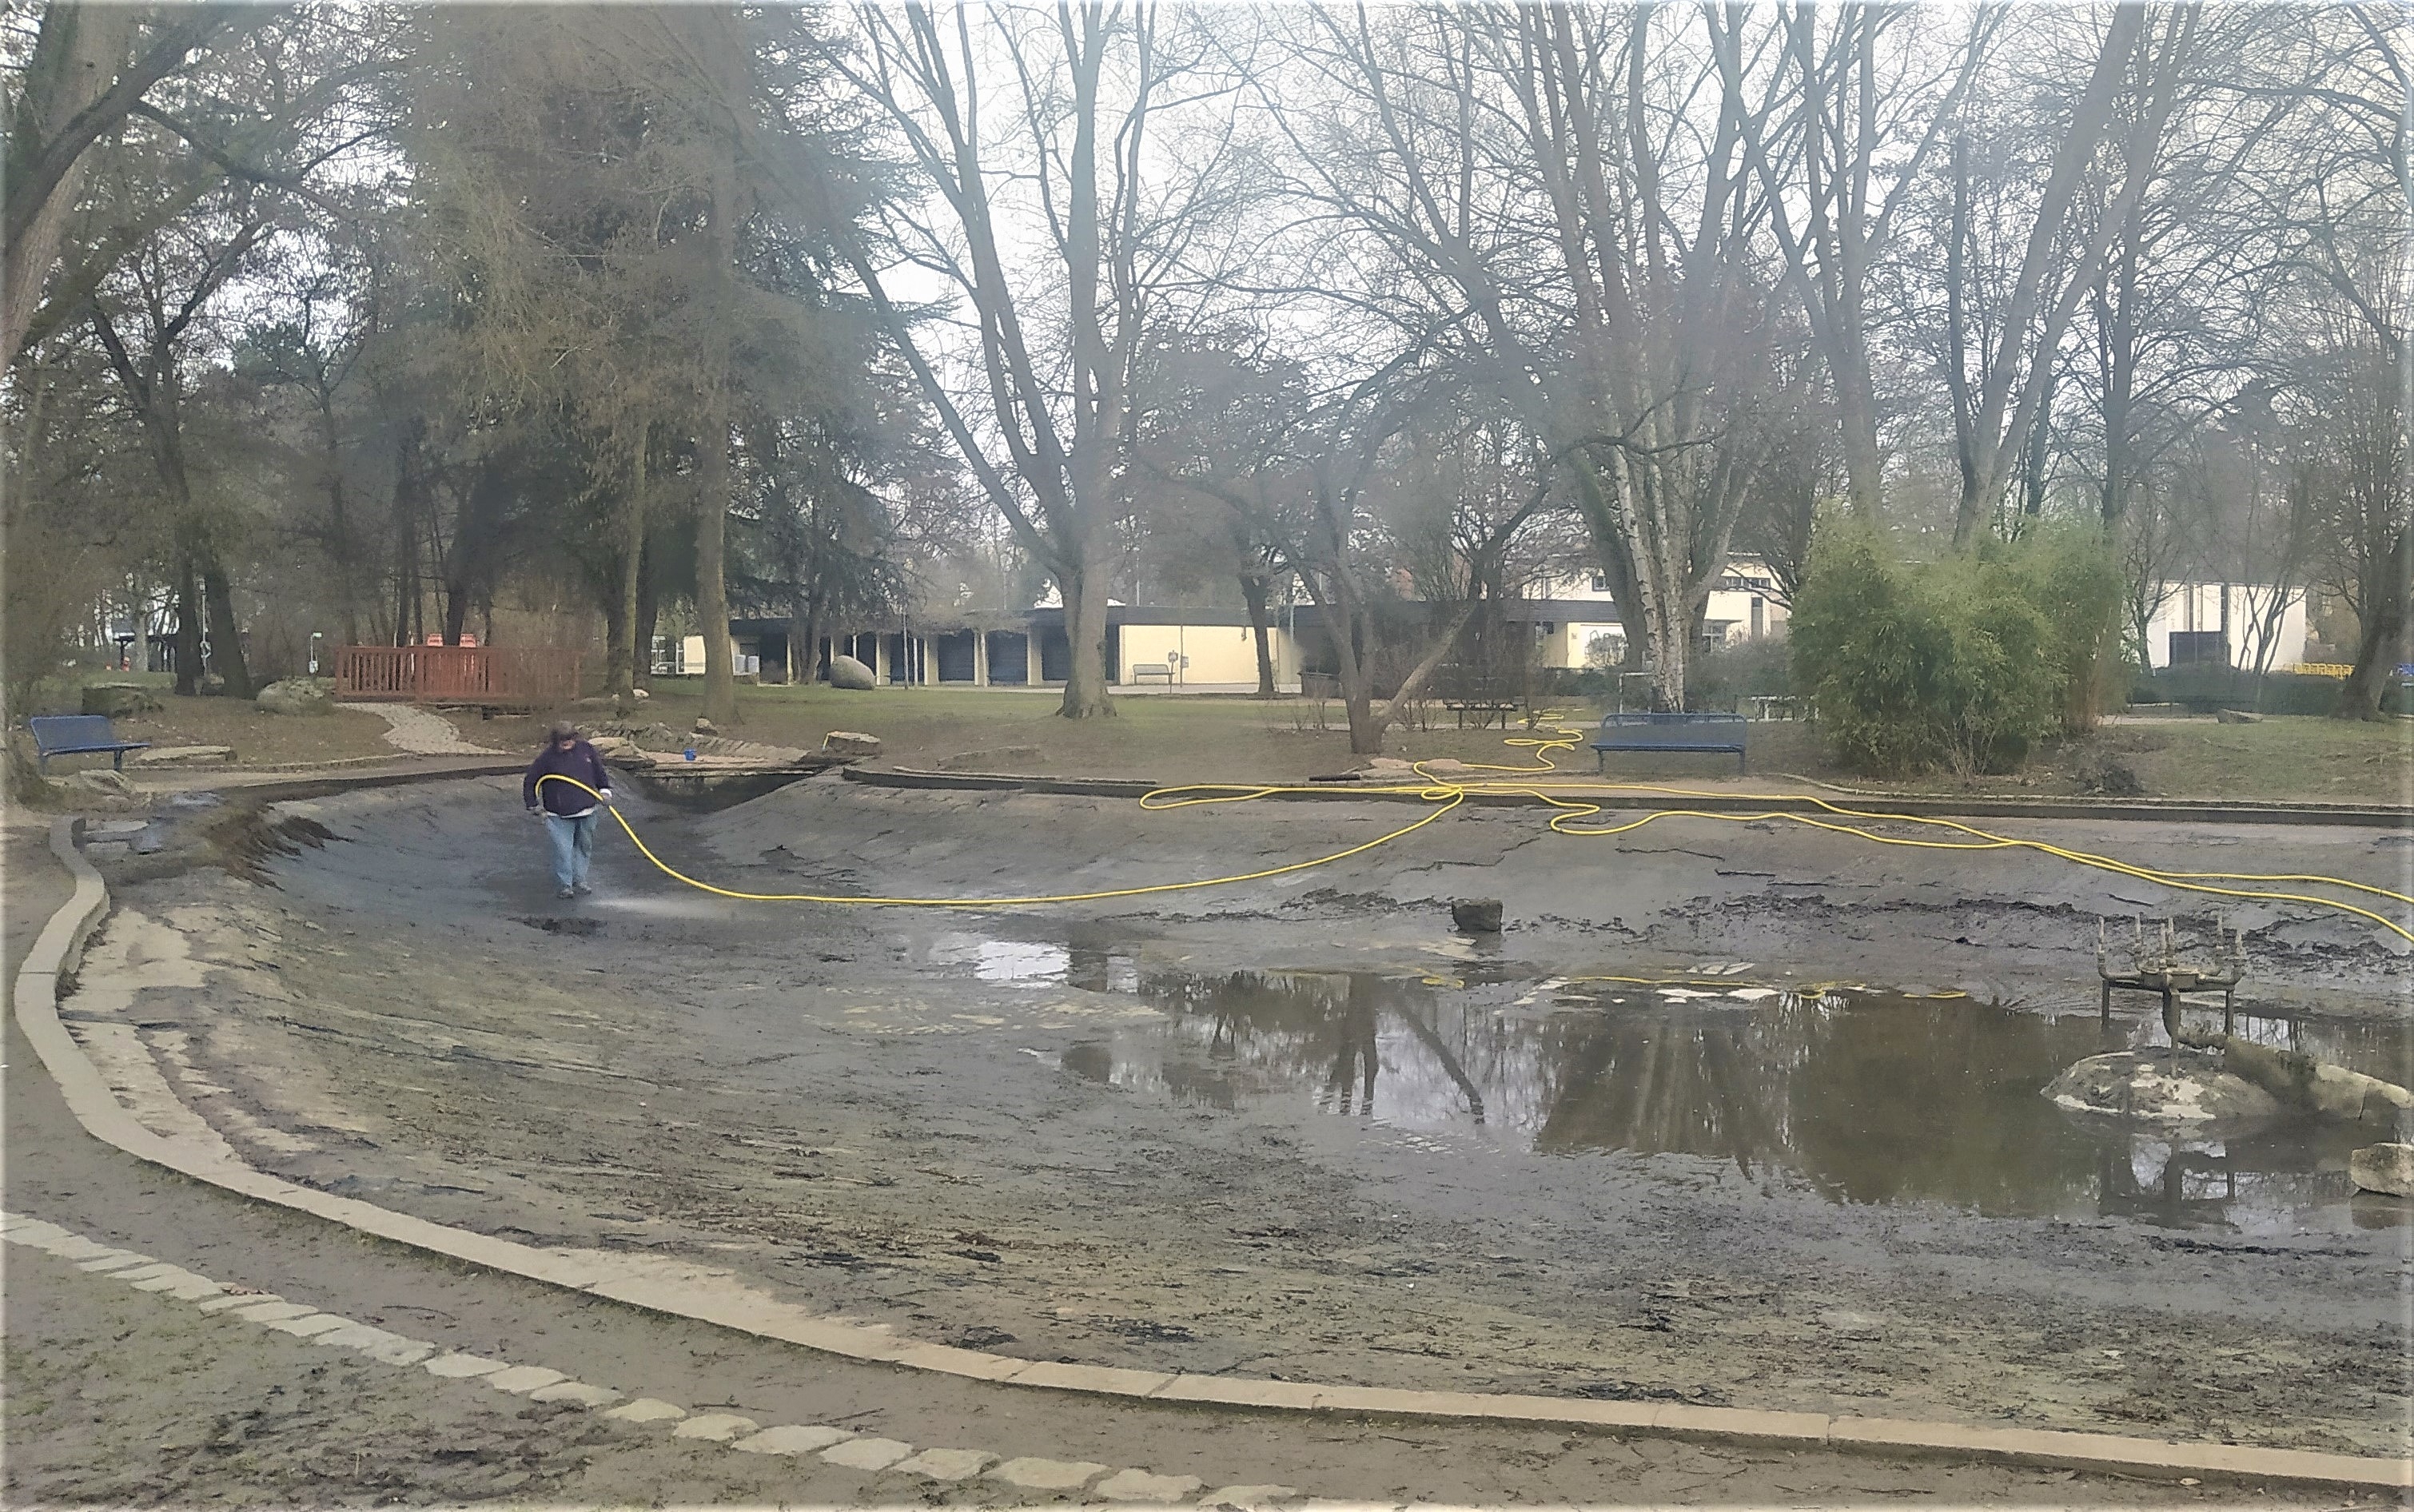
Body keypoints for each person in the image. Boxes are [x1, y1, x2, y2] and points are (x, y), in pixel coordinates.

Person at [524, 720, 612, 899]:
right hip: (558, 815)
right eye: (562, 740)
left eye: (569, 739)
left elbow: (599, 773)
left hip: (588, 810)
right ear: (555, 741)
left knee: (583, 847)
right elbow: (530, 781)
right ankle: (565, 885)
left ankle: (580, 881)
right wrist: (533, 805)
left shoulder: (586, 750)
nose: (567, 743)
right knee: (562, 850)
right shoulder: (547, 758)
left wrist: (605, 792)